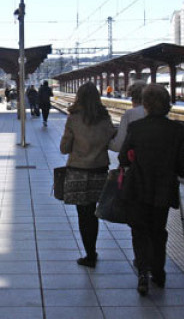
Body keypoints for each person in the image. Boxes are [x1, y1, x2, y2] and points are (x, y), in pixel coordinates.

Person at [117, 84, 184, 296]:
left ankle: (142, 273)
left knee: (139, 231)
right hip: (163, 189)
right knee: (158, 231)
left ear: (146, 104)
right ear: (166, 104)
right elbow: (183, 164)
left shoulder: (137, 128)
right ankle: (158, 272)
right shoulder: (176, 130)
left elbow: (123, 158)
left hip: (138, 188)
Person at [59, 82, 117, 268]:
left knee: (83, 215)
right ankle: (92, 251)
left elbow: (64, 148)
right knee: (94, 213)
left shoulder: (74, 118)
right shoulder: (105, 118)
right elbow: (111, 140)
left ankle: (90, 254)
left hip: (78, 172)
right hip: (100, 171)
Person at [108, 82, 147, 152]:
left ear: (132, 98)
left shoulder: (130, 114)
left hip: (137, 159)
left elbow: (118, 146)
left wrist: (105, 142)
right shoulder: (160, 114)